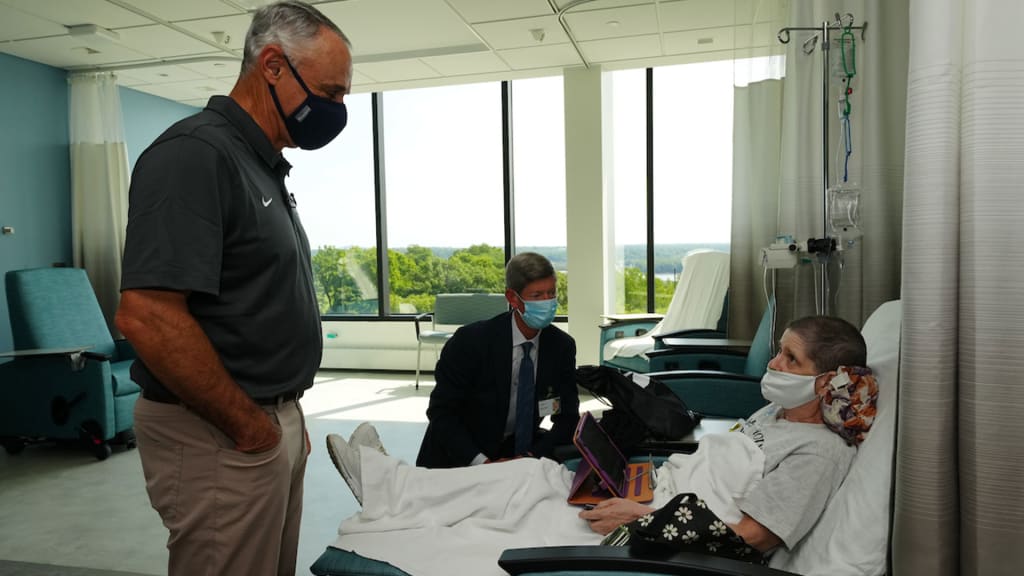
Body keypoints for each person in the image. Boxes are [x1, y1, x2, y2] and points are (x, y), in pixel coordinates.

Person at [322, 315, 876, 576]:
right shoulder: (777, 413)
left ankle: (387, 491)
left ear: (827, 381)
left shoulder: (817, 453)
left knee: (522, 498)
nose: (774, 365)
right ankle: (391, 484)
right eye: (778, 351)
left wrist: (641, 514)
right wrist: (646, 484)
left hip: (655, 540)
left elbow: (750, 539)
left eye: (790, 359)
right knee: (532, 473)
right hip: (655, 500)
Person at [113, 2, 351, 575]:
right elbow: (146, 314)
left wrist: (286, 418)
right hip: (217, 432)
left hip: (268, 419)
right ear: (272, 65)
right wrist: (250, 426)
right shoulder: (195, 154)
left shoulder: (259, 162)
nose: (337, 110)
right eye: (331, 92)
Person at [414, 252, 580, 468]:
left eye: (551, 293)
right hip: (458, 458)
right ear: (512, 298)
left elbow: (567, 418)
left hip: (517, 458)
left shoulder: (561, 347)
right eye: (537, 296)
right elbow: (442, 413)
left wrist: (531, 457)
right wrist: (482, 463)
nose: (547, 302)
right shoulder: (471, 342)